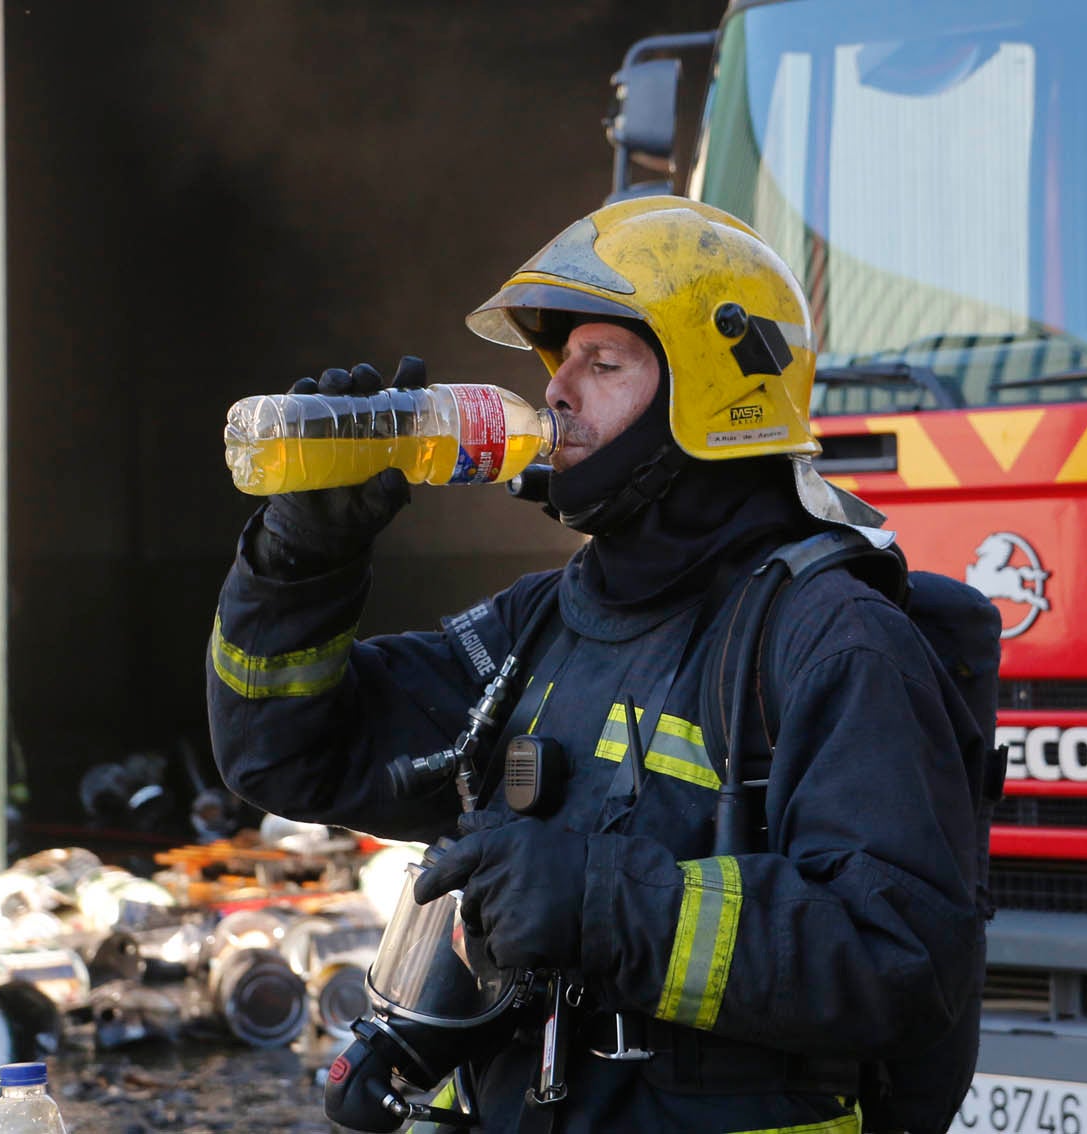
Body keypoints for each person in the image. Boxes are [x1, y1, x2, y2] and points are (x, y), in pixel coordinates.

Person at [207, 196, 985, 1133]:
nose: (558, 393)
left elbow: (896, 953)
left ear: (712, 399)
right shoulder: (543, 624)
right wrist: (301, 563)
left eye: (602, 363)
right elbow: (289, 756)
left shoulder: (833, 640)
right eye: (560, 361)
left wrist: (602, 903)